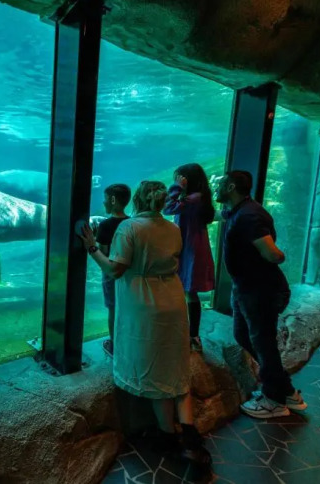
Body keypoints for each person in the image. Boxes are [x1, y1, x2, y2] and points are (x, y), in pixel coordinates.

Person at [80, 180, 210, 464]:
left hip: (144, 303)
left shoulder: (130, 228)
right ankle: (190, 436)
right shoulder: (173, 228)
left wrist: (92, 248)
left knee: (155, 371)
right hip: (173, 299)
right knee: (176, 368)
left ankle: (167, 435)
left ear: (137, 199)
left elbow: (115, 269)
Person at [215, 170, 307, 419]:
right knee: (244, 335)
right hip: (247, 288)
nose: (216, 187)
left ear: (231, 187)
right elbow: (218, 215)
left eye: (220, 184)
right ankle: (285, 390)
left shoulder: (249, 216)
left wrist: (277, 255)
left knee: (263, 344)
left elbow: (272, 254)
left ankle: (274, 401)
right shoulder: (240, 210)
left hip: (260, 290)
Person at [163, 163, 216, 353]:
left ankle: (191, 334)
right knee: (188, 292)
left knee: (188, 291)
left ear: (187, 181)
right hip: (192, 248)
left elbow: (167, 208)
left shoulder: (192, 199)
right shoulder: (198, 197)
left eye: (179, 179)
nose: (176, 181)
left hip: (190, 250)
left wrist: (176, 188)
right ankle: (191, 334)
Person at [95, 184, 132, 357]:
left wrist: (92, 244)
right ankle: (128, 340)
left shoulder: (105, 225)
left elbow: (103, 254)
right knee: (126, 307)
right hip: (129, 273)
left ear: (112, 200)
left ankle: (114, 344)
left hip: (111, 274)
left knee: (112, 308)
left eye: (105, 199)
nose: (103, 202)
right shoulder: (132, 223)